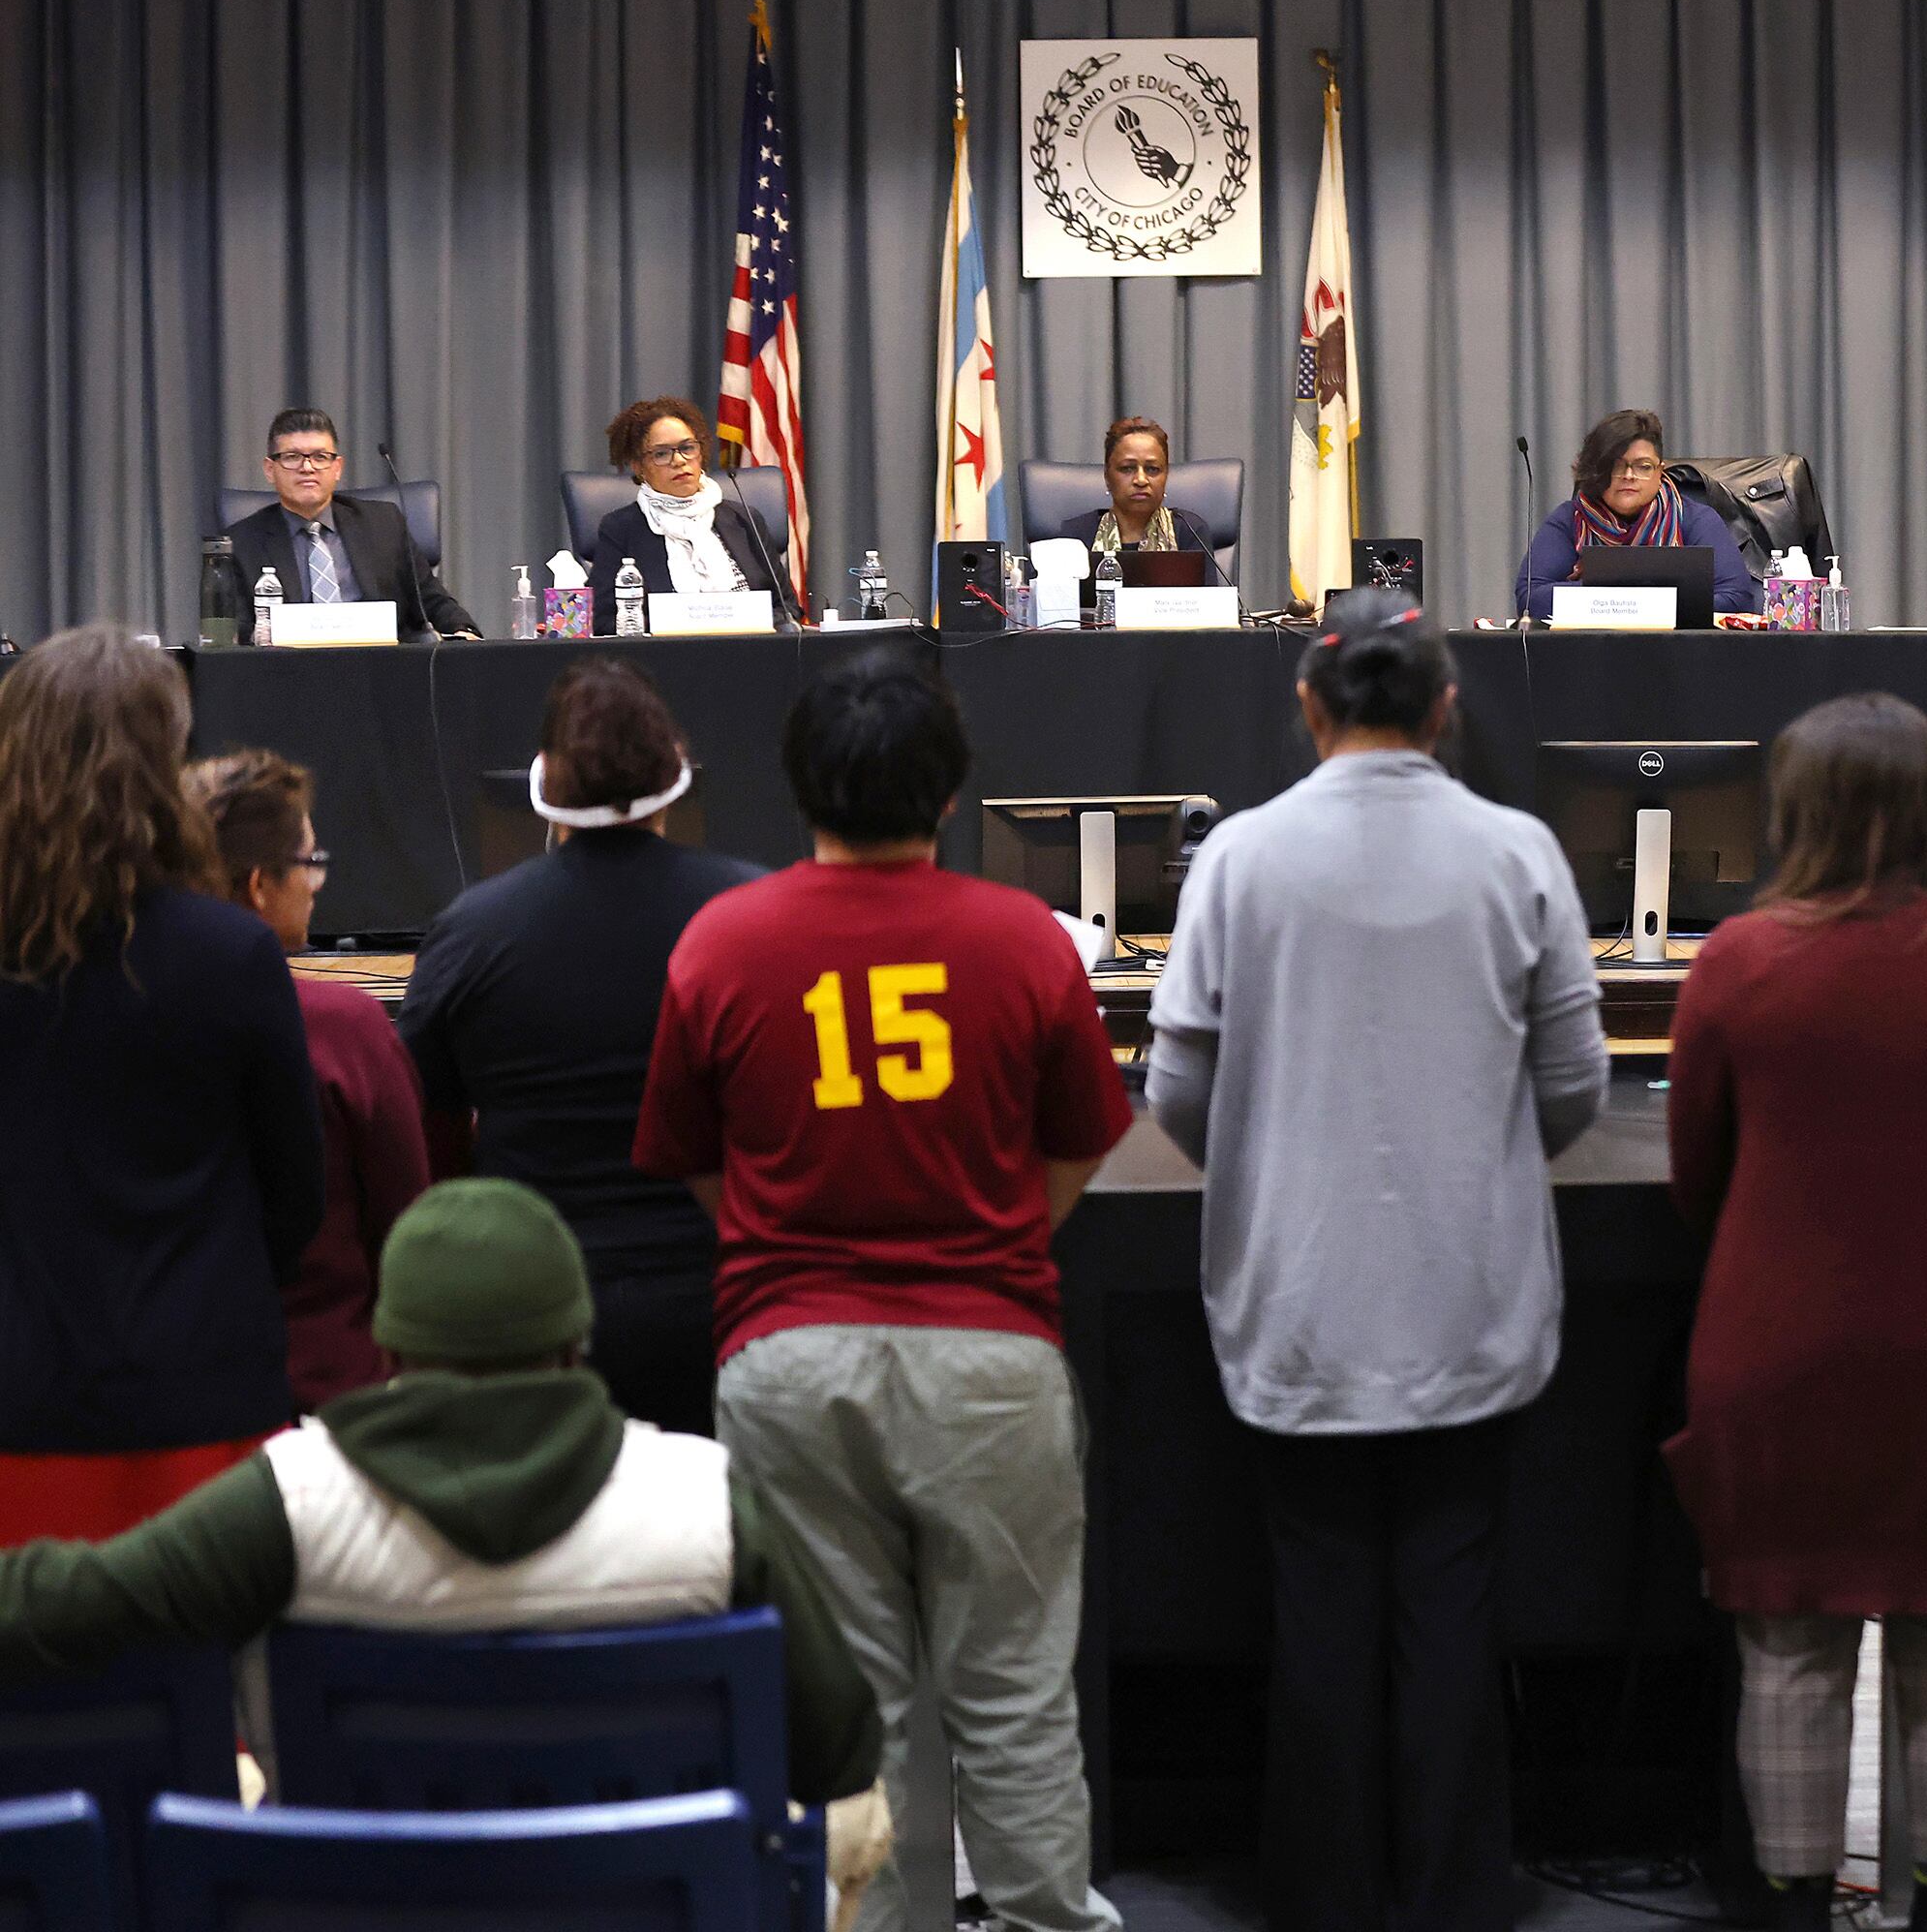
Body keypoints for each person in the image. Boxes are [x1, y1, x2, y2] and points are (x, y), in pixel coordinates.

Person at [634, 647, 1132, 1932]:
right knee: (1016, 1695)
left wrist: (779, 1249)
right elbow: (1084, 1136)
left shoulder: (723, 942)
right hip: (991, 1352)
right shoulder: (1024, 940)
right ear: (952, 792)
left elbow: (687, 1156)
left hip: (789, 1359)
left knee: (852, 1708)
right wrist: (1005, 1235)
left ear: (796, 784)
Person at [1147, 590, 1610, 1932]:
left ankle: (1324, 1892)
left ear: (1310, 703)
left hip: (1296, 1299)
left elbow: (1181, 1089)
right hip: (1470, 1297)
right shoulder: (1514, 849)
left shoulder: (1238, 858)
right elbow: (1572, 1088)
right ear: (1446, 710)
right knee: (1455, 1602)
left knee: (1317, 1609)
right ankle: (1457, 1890)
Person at [0, 1178, 884, 1809]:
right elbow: (837, 1755)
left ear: (390, 1352)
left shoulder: (292, 1502)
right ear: (576, 1343)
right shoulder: (705, 1504)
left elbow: (63, 1607)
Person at [1663, 693, 1927, 1932]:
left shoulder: (1737, 961)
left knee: (1788, 1644)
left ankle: (1791, 1906)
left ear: (1802, 814)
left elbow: (1697, 1169)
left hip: (1782, 1347)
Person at [0, 629, 323, 1546]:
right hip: (205, 1399)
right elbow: (294, 1199)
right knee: (218, 1681)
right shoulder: (232, 956)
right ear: (162, 769)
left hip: (20, 1403)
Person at [398, 659, 762, 1436]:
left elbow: (426, 1136)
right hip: (722, 1301)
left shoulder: (471, 929)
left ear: (543, 781)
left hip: (533, 1310)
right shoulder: (751, 918)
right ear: (676, 773)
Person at [188, 750, 429, 1411]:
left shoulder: (117, 1016)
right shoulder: (345, 1030)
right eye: (309, 862)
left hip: (170, 1388)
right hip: (331, 1398)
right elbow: (404, 1225)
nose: (318, 882)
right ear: (261, 885)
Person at [224, 408, 482, 639]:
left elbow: (430, 597)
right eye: (292, 457)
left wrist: (463, 631)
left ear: (337, 468)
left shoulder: (384, 524)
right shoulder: (242, 543)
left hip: (381, 671)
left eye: (320, 456)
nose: (307, 467)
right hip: (287, 676)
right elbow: (236, 631)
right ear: (270, 469)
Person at [1515, 408, 1761, 621]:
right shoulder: (1570, 519)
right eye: (1616, 465)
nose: (1629, 476)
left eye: (1643, 466)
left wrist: (1603, 591)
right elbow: (1530, 599)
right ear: (1594, 470)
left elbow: (1737, 599)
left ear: (1660, 471)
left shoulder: (1695, 519)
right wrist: (1658, 595)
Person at [585, 397, 785, 616]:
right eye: (661, 453)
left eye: (687, 448)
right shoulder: (621, 529)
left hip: (751, 647)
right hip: (666, 649)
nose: (679, 460)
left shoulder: (744, 519)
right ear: (638, 467)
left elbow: (786, 606)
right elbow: (602, 618)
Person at [1051, 415, 1215, 556]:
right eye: (1127, 469)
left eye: (1152, 469)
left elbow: (1210, 594)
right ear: (1107, 476)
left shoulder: (1190, 532)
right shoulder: (1074, 536)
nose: (1141, 480)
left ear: (1166, 475)